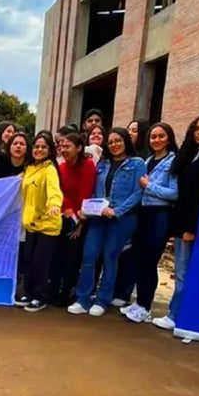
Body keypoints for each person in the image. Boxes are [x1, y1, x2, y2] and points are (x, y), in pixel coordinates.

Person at [68, 127, 145, 317]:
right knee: (89, 255)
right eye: (110, 142)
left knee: (110, 257)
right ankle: (83, 298)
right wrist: (88, 210)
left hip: (122, 218)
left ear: (126, 141)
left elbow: (138, 193)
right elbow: (95, 192)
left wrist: (116, 211)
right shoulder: (102, 165)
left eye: (118, 140)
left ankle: (102, 300)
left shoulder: (137, 163)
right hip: (98, 217)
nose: (114, 145)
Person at [153, 114, 199, 331]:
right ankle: (182, 314)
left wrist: (191, 227)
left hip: (195, 225)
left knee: (184, 272)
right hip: (181, 222)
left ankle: (176, 315)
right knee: (182, 271)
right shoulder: (188, 155)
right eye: (196, 128)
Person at [120, 123, 179, 323]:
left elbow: (174, 193)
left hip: (160, 215)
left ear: (169, 138)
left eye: (161, 136)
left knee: (150, 261)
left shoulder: (173, 162)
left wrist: (149, 186)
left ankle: (146, 307)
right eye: (153, 137)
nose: (157, 140)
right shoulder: (147, 161)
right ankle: (139, 303)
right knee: (140, 260)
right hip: (144, 214)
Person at [16, 133, 65, 313]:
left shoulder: (50, 169)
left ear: (50, 150)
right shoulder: (29, 168)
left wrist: (54, 204)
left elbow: (54, 190)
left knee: (40, 263)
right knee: (28, 260)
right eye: (36, 146)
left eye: (43, 147)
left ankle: (40, 296)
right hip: (31, 224)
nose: (39, 150)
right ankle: (29, 293)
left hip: (47, 225)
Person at [51, 132, 96, 307]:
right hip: (64, 215)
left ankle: (68, 291)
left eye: (67, 146)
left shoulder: (88, 165)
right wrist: (68, 208)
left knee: (73, 257)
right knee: (58, 255)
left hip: (82, 217)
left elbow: (86, 192)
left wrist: (80, 220)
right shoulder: (61, 168)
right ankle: (55, 289)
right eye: (61, 146)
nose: (63, 149)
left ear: (78, 148)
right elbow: (59, 191)